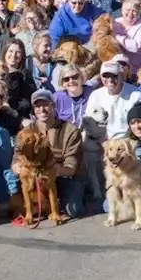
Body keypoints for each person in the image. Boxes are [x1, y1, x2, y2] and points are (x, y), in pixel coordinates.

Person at [29, 88, 85, 218]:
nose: (41, 110)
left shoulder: (70, 130)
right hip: (38, 179)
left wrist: (51, 167)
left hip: (65, 178)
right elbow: (17, 159)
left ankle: (79, 194)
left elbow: (71, 168)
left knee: (73, 210)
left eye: (45, 105)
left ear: (53, 106)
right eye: (37, 106)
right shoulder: (28, 130)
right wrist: (19, 167)